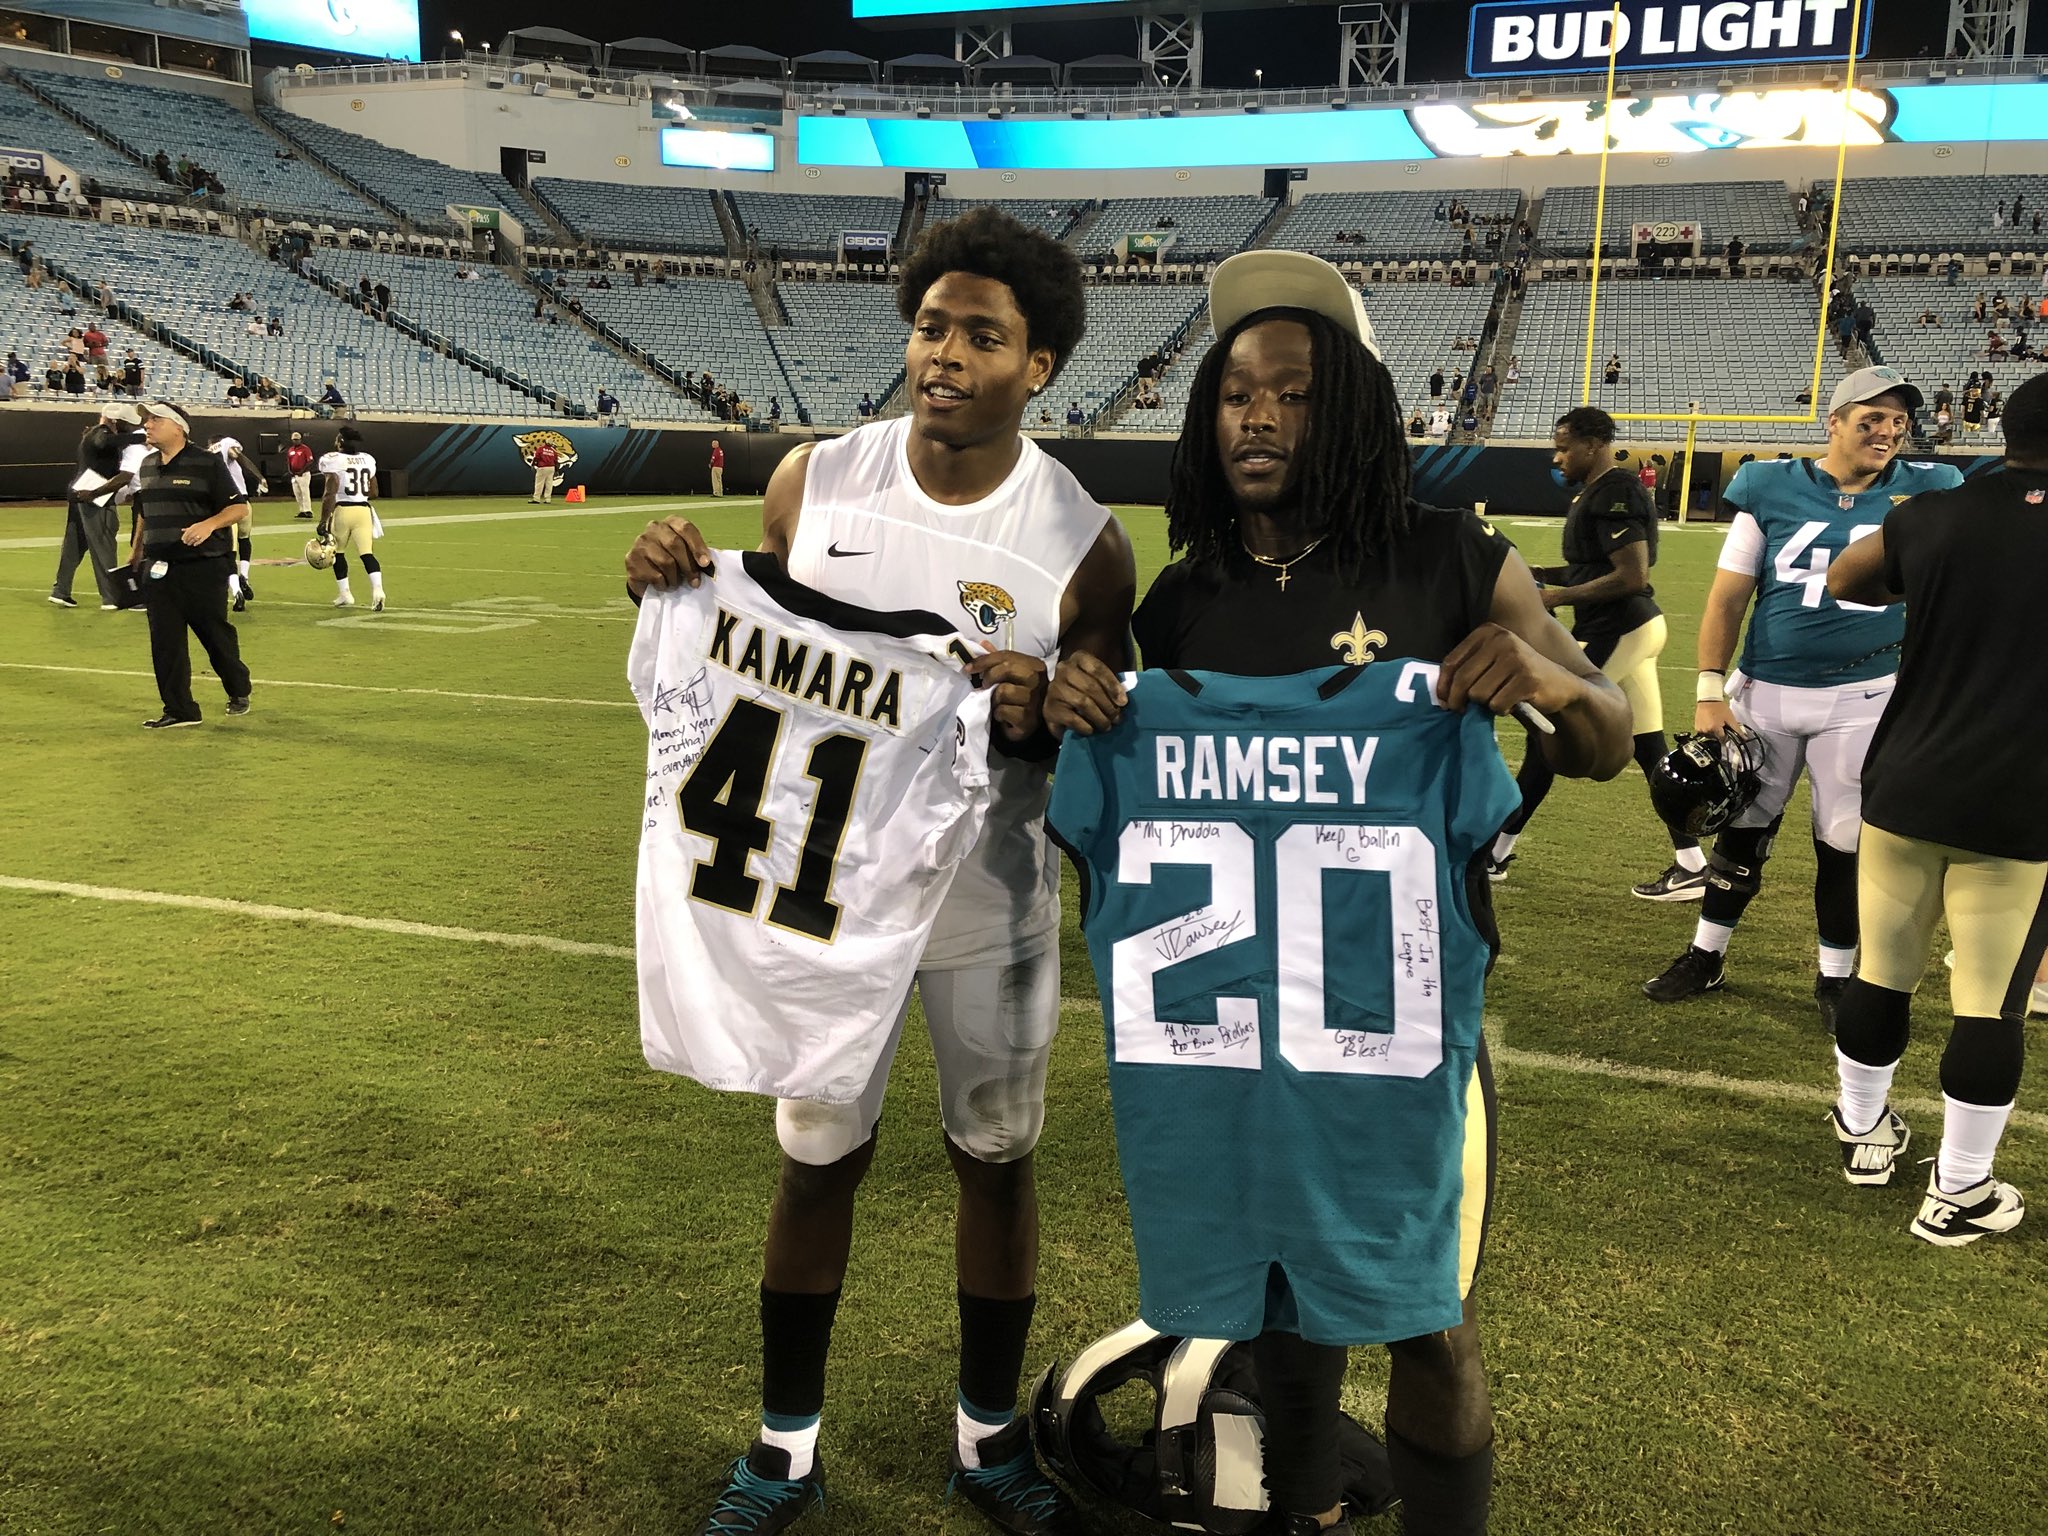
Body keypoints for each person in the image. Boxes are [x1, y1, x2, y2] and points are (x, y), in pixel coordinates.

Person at [1042, 247, 1630, 1536]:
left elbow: (1608, 739)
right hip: (1233, 1030)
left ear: (1352, 409)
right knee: (1275, 1318)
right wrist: (1074, 696)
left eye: (1292, 394)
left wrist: (1546, 682)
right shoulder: (1182, 601)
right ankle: (1297, 1512)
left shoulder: (1449, 559)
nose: (1254, 417)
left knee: (1429, 1320)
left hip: (1399, 1024)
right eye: (1233, 394)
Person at [622, 205, 1132, 1536]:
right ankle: (783, 1447)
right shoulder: (814, 482)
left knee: (997, 1160)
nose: (945, 354)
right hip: (825, 898)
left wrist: (1045, 711)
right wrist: (668, 578)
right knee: (815, 1160)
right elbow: (758, 650)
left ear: (1039, 366)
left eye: (983, 336)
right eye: (931, 327)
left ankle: (988, 1440)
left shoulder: (1083, 542)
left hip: (987, 896)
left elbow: (1096, 740)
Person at [1642, 367, 1964, 1019]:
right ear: (1834, 423)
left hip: (1864, 698)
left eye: (1898, 421)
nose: (1887, 431)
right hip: (1765, 692)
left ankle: (1835, 977)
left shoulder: (1928, 491)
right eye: (1871, 419)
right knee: (1742, 832)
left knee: (1843, 844)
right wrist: (1708, 688)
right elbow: (1728, 597)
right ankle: (1706, 955)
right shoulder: (1772, 486)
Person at [1819, 370, 2048, 1244]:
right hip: (2018, 800)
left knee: (1882, 970)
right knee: (1989, 1001)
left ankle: (1863, 1126)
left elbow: (1848, 578)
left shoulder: (1934, 511)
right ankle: (1959, 1190)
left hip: (1908, 778)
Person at [1489, 408, 1704, 897]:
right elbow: (1593, 568)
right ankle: (1691, 864)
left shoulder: (1615, 491)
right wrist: (1539, 575)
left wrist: (1555, 597)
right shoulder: (1598, 491)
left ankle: (1495, 856)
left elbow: (1632, 576)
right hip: (1631, 628)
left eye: (1563, 448)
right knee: (1649, 747)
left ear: (1593, 445)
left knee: (1550, 734)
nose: (1556, 457)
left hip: (1619, 627)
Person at [126, 401, 252, 727]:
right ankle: (180, 710)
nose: (147, 425)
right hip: (158, 567)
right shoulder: (147, 465)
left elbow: (239, 508)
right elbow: (144, 511)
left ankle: (238, 688)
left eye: (155, 419)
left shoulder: (207, 463)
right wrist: (136, 550)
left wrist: (209, 524)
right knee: (164, 643)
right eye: (146, 420)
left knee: (215, 637)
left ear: (178, 427)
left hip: (202, 567)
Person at [50, 403, 144, 609]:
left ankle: (61, 590)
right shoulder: (100, 434)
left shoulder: (92, 433)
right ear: (115, 420)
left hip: (79, 493)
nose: (130, 428)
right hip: (93, 496)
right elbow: (105, 442)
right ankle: (111, 597)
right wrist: (143, 438)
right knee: (104, 545)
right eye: (127, 424)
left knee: (74, 545)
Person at [317, 426, 385, 611]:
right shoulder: (367, 459)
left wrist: (323, 520)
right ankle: (378, 590)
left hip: (343, 510)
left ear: (340, 442)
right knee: (367, 553)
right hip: (363, 511)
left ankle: (345, 593)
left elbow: (329, 493)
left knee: (337, 553)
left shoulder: (332, 460)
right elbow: (374, 492)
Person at [208, 433, 266, 610]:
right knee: (245, 540)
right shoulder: (226, 443)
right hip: (243, 501)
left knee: (229, 551)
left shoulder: (207, 454)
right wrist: (259, 477)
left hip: (225, 505)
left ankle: (236, 591)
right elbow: (239, 457)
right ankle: (244, 577)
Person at [286, 431, 315, 518]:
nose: (295, 441)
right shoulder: (291, 450)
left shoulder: (305, 449)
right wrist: (290, 470)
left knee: (305, 492)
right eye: (294, 440)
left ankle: (308, 510)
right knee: (297, 493)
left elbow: (310, 461)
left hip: (303, 474)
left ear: (300, 440)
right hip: (294, 475)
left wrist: (302, 470)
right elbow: (289, 461)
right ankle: (302, 510)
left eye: (297, 440)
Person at [529, 434, 559, 503]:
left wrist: (533, 464)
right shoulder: (553, 451)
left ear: (545, 442)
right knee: (549, 484)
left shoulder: (541, 449)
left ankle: (536, 499)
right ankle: (548, 499)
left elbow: (536, 457)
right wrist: (557, 470)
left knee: (539, 483)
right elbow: (556, 461)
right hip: (551, 468)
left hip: (543, 467)